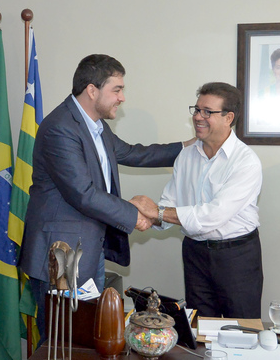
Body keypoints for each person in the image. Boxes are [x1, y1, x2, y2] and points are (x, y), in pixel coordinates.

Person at [19, 54, 187, 333]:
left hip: (89, 249)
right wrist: (134, 214)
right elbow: (83, 194)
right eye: (117, 90)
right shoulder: (60, 128)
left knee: (85, 334)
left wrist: (187, 148)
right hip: (61, 253)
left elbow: (133, 153)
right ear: (92, 90)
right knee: (60, 338)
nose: (122, 98)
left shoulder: (96, 126)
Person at [131, 82, 264, 319]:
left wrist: (156, 212)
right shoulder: (186, 156)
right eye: (196, 109)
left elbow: (212, 215)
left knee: (241, 329)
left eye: (207, 112)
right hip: (195, 254)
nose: (198, 117)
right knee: (199, 326)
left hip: (236, 257)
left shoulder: (246, 161)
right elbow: (170, 203)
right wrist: (145, 217)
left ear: (228, 118)